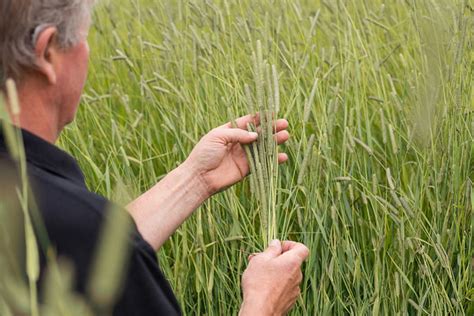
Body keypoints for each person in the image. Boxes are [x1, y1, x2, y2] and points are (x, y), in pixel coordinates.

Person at [0, 1, 309, 315]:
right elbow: (83, 236)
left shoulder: (39, 205)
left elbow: (88, 250)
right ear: (48, 52)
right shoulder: (64, 217)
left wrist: (197, 178)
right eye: (84, 38)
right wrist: (263, 304)